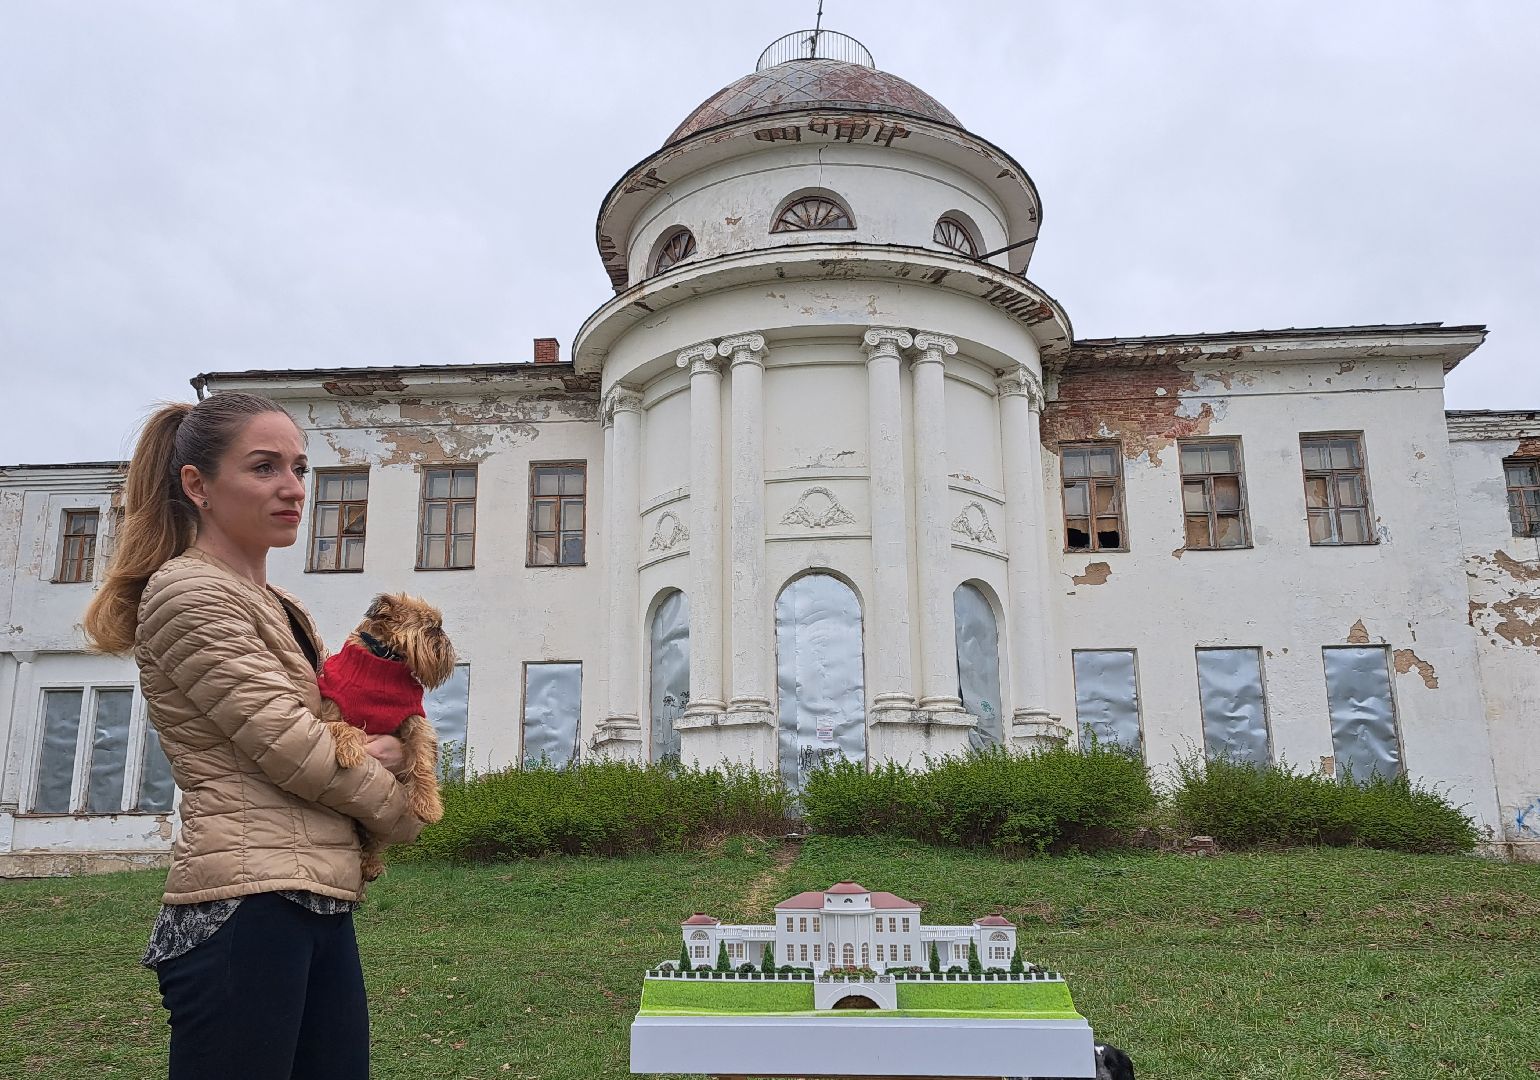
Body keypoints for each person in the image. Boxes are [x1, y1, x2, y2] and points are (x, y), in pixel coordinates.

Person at [83, 392, 424, 1080]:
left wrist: (386, 741)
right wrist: (404, 806)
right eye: (265, 468)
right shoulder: (188, 594)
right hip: (244, 906)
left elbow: (338, 730)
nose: (293, 488)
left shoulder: (279, 606)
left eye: (299, 468)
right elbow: (298, 750)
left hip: (315, 897)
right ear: (197, 485)